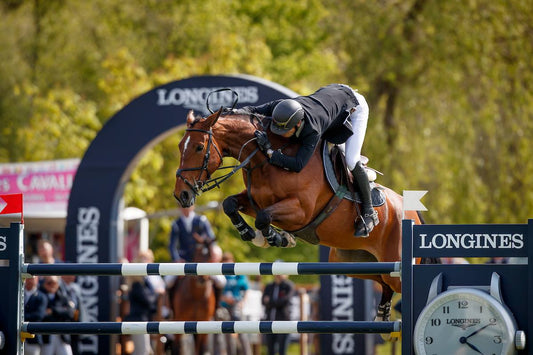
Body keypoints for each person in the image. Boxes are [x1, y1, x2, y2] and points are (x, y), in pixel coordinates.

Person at [241, 84, 378, 236]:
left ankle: (369, 212)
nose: (281, 134)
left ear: (298, 123)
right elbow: (252, 110)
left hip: (354, 107)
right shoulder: (281, 108)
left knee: (351, 160)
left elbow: (298, 165)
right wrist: (231, 112)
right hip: (332, 94)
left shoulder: (313, 129)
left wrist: (269, 152)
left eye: (285, 131)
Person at [125, 253, 165, 355]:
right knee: (142, 351)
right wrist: (156, 294)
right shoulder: (137, 285)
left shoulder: (141, 283)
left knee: (146, 351)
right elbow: (148, 300)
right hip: (138, 321)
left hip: (142, 320)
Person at [220, 252, 252, 355]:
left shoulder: (238, 272)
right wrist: (223, 298)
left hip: (237, 305)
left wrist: (242, 302)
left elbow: (246, 289)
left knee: (242, 333)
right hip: (224, 307)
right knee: (228, 334)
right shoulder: (219, 273)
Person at [40, 275, 77, 355]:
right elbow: (40, 315)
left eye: (54, 283)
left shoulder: (63, 296)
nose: (52, 285)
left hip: (62, 335)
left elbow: (70, 313)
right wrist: (60, 311)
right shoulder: (40, 296)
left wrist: (53, 311)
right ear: (44, 283)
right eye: (49, 283)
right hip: (47, 335)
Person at [261, 274, 295, 355]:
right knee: (270, 350)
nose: (278, 275)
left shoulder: (288, 285)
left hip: (284, 322)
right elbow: (263, 301)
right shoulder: (269, 286)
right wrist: (275, 302)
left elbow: (285, 301)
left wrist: (270, 301)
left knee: (282, 350)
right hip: (269, 321)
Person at [24, 275, 47, 355]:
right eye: (28, 278)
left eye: (32, 279)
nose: (30, 280)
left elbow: (39, 315)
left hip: (33, 338)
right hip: (17, 337)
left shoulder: (42, 296)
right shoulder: (18, 294)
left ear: (37, 280)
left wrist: (21, 318)